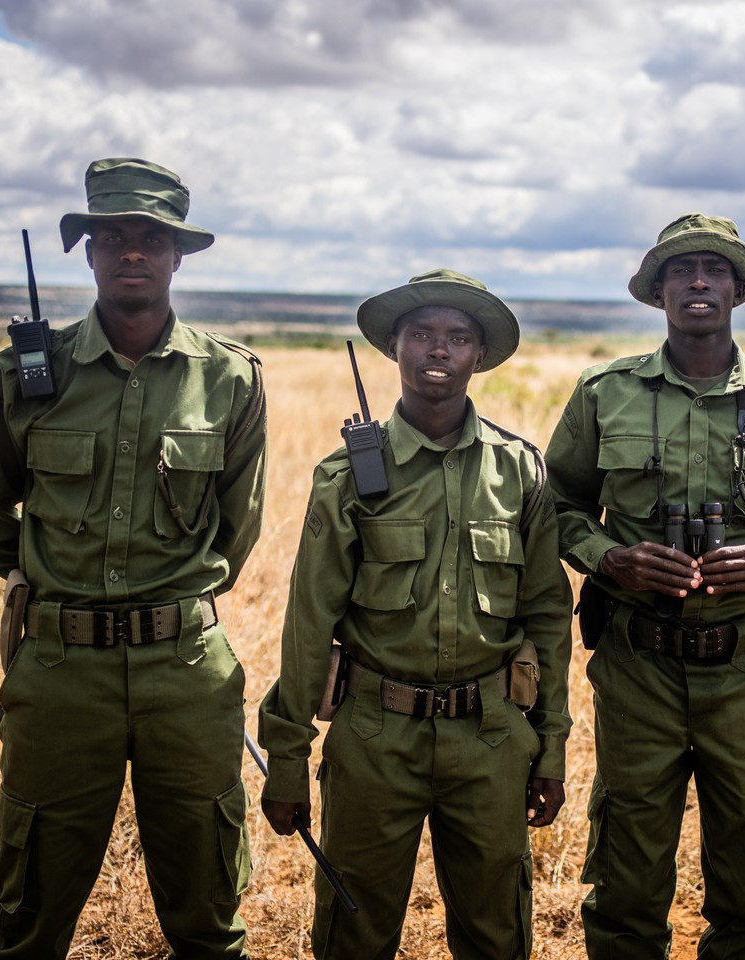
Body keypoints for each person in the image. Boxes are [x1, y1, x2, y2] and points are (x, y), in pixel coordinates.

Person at [0, 157, 267, 959]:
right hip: (63, 673)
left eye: (150, 238)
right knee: (29, 918)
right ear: (90, 252)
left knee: (208, 914)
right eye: (114, 237)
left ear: (176, 256)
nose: (132, 251)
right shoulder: (30, 374)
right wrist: (49, 589)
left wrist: (169, 604)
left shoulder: (229, 379)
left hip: (186, 673)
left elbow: (236, 533)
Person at [545, 213, 745, 959]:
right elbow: (556, 507)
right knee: (626, 879)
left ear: (739, 288)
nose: (699, 282)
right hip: (637, 663)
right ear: (658, 292)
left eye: (714, 269)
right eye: (681, 271)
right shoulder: (604, 392)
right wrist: (612, 559)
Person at [257, 268, 572, 960]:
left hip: (491, 740)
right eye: (422, 333)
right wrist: (287, 758)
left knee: (497, 936)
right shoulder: (346, 479)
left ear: (479, 356)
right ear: (393, 347)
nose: (439, 350)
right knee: (356, 934)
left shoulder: (522, 474)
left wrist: (549, 748)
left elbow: (548, 620)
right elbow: (308, 625)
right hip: (374, 738)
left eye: (459, 337)